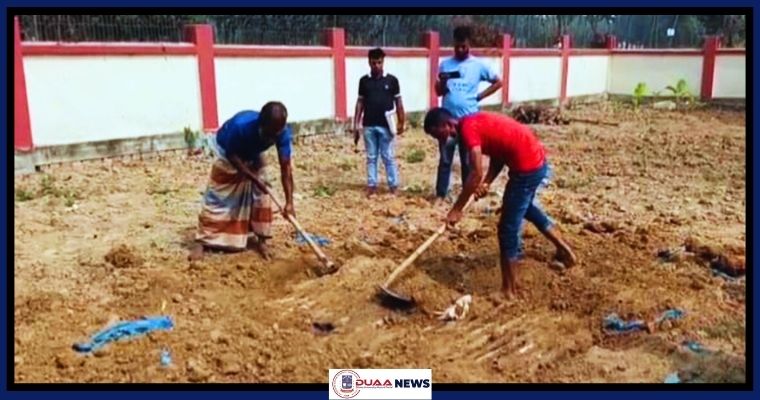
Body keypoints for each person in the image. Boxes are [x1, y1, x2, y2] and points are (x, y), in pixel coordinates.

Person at [423, 108, 577, 298]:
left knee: (507, 228)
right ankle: (565, 251)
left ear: (446, 125)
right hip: (535, 161)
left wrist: (456, 209)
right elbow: (498, 154)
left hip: (527, 168)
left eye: (438, 135)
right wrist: (487, 182)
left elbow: (474, 174)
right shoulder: (473, 123)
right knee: (525, 207)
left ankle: (509, 291)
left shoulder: (468, 130)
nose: (441, 140)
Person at [189, 101, 295, 261]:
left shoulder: (281, 132)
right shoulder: (240, 126)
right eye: (270, 134)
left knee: (263, 192)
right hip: (227, 150)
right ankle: (202, 240)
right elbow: (232, 155)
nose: (274, 139)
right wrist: (252, 177)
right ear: (261, 125)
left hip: (253, 152)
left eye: (277, 134)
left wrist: (289, 202)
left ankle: (262, 239)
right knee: (218, 195)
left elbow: (285, 168)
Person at [434, 25, 502, 204]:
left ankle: (466, 193)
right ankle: (441, 194)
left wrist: (479, 96)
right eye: (457, 46)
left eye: (464, 46)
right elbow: (439, 92)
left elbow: (498, 82)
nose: (460, 50)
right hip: (447, 122)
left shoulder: (478, 65)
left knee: (468, 161)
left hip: (469, 122)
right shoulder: (445, 65)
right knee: (445, 159)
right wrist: (442, 82)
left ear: (469, 44)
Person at [352, 47, 405, 197]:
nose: (376, 66)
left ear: (383, 62)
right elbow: (360, 103)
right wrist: (356, 124)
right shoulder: (364, 81)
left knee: (388, 156)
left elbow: (399, 102)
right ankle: (372, 185)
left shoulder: (392, 81)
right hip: (369, 124)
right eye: (373, 63)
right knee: (371, 157)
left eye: (379, 63)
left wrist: (402, 121)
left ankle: (393, 185)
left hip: (386, 125)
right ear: (369, 63)